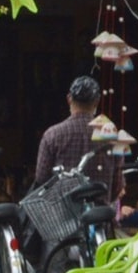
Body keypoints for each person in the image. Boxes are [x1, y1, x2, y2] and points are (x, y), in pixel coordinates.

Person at [33, 75, 119, 205]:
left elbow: (41, 179)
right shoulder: (111, 136)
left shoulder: (53, 135)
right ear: (97, 102)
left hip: (63, 217)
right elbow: (118, 184)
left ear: (69, 99)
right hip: (100, 215)